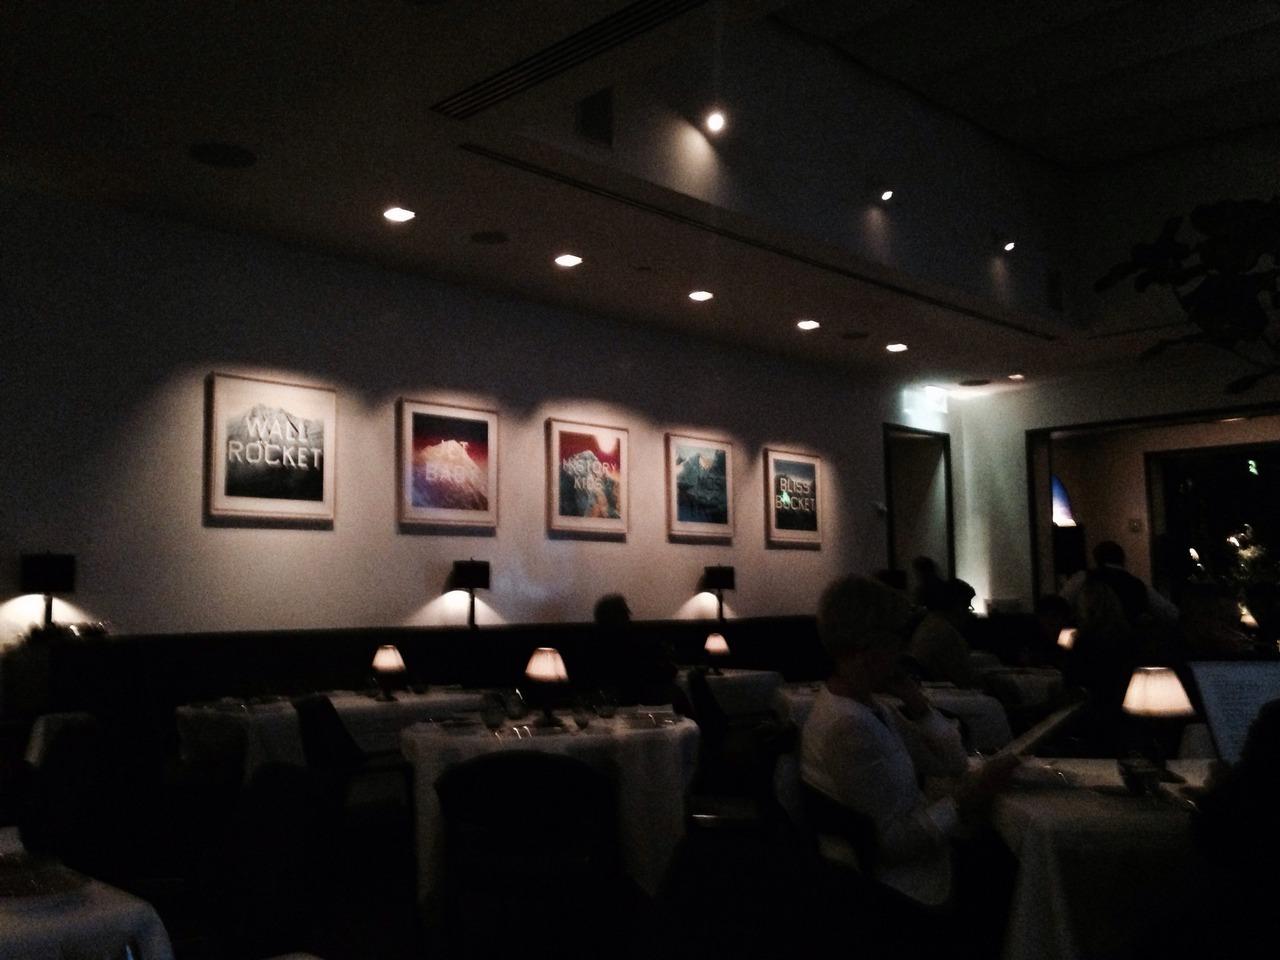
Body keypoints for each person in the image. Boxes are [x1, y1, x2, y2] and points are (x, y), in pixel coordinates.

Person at [801, 575, 1016, 913]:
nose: (902, 651)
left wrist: (918, 704)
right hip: (904, 887)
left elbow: (953, 763)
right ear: (867, 647)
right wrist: (967, 799)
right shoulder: (848, 726)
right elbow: (894, 845)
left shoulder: (868, 707)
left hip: (920, 861)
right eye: (896, 640)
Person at [1060, 540, 1178, 626]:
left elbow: (1062, 603)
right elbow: (1169, 612)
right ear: (1123, 559)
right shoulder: (1136, 583)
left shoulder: (1083, 578)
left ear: (1096, 559)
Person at [908, 578, 977, 687]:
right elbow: (966, 678)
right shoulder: (947, 634)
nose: (969, 613)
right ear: (959, 607)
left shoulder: (929, 624)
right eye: (968, 607)